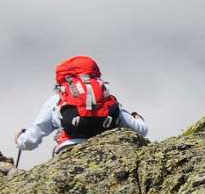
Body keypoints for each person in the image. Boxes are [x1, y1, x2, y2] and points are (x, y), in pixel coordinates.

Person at [16, 55, 149, 155]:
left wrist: (20, 139)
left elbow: (31, 140)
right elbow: (140, 130)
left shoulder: (58, 98)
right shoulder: (104, 96)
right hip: (106, 151)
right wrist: (138, 118)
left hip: (68, 150)